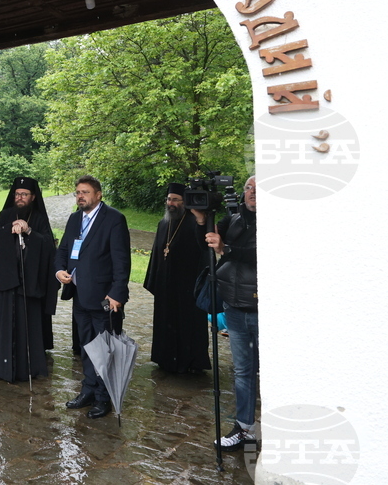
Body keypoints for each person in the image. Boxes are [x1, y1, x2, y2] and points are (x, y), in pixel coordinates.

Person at [55, 175, 131, 419]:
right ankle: (88, 390)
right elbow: (63, 250)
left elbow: (122, 260)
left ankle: (103, 398)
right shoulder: (74, 218)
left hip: (104, 298)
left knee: (105, 349)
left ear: (98, 194)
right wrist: (59, 270)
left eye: (85, 192)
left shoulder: (114, 219)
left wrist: (117, 293)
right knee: (86, 346)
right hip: (80, 295)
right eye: (77, 192)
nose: (80, 196)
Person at [193, 176, 258, 451]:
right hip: (234, 306)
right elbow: (206, 245)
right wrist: (202, 221)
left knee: (270, 372)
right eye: (248, 188)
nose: (253, 192)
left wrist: (226, 248)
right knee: (243, 371)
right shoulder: (233, 220)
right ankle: (244, 429)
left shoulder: (278, 221)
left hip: (263, 309)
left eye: (258, 188)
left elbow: (259, 253)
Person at [0, 176, 58, 382]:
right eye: (17, 194)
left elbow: (49, 247)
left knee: (27, 326)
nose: (20, 197)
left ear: (33, 197)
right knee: (1, 325)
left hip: (28, 284)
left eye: (24, 194)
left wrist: (29, 231)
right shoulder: (6, 214)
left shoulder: (39, 218)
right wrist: (9, 228)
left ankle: (28, 368)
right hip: (5, 282)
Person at [143, 182, 210, 374]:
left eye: (175, 200)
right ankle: (164, 358)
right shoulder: (163, 223)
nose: (170, 203)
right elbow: (157, 253)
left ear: (184, 202)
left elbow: (204, 252)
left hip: (188, 286)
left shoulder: (196, 222)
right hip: (165, 285)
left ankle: (192, 362)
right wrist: (154, 280)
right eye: (168, 199)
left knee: (188, 324)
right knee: (165, 321)